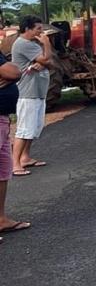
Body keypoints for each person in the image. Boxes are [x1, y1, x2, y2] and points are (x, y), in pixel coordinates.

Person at [11, 16, 52, 177]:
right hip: (27, 93)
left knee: (34, 128)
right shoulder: (23, 44)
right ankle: (15, 164)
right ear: (27, 29)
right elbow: (47, 58)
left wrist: (42, 63)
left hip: (37, 92)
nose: (40, 32)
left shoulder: (31, 44)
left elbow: (49, 62)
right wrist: (46, 44)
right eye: (38, 29)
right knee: (24, 129)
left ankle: (25, 157)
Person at [1, 56, 31, 243]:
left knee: (3, 172)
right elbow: (13, 71)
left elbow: (15, 73)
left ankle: (1, 219)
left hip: (3, 118)